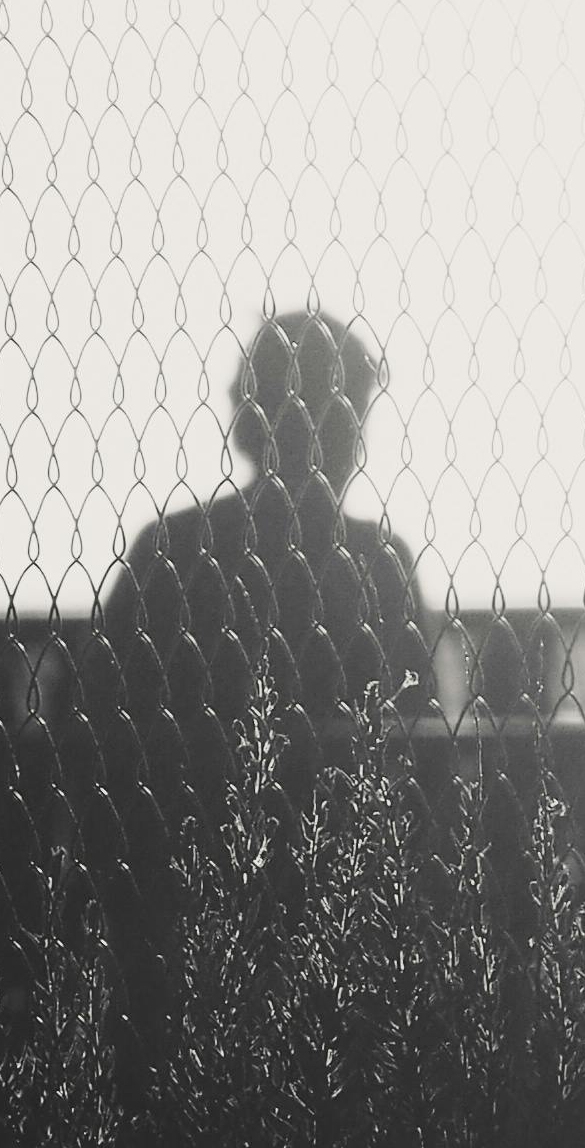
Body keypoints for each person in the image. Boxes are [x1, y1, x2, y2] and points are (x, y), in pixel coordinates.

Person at [73, 308, 435, 1007]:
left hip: (172, 903)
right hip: (340, 904)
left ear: (247, 418)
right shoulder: (378, 566)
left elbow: (94, 727)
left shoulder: (174, 551)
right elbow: (422, 754)